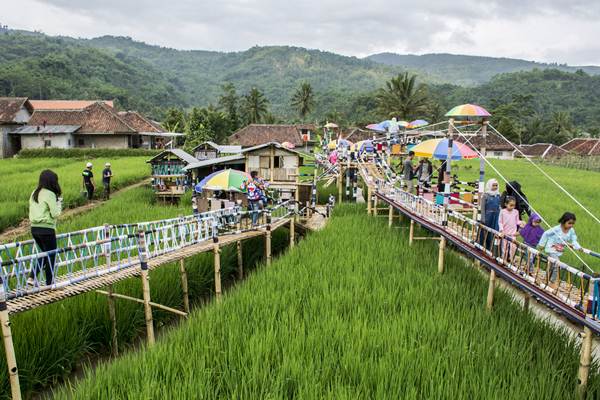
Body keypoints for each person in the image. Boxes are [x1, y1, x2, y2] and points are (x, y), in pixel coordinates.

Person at [28, 170, 62, 287]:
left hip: (34, 229)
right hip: (47, 229)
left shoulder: (34, 192)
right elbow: (55, 214)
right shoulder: (49, 194)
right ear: (52, 181)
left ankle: (32, 277)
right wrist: (59, 203)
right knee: (51, 255)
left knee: (44, 253)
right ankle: (49, 284)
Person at [538, 212, 582, 281]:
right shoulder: (557, 229)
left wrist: (578, 247)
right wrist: (542, 245)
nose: (571, 225)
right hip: (551, 249)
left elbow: (574, 239)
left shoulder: (571, 231)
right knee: (558, 265)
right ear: (563, 221)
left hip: (558, 250)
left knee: (552, 265)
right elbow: (546, 234)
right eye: (569, 223)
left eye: (573, 223)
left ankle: (546, 279)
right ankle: (552, 281)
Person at [498, 196, 523, 261]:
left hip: (513, 234)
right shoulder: (502, 212)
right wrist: (501, 230)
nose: (512, 207)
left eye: (514, 205)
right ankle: (503, 259)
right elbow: (500, 222)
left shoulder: (516, 212)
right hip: (505, 233)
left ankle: (512, 260)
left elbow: (517, 221)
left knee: (513, 248)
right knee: (504, 248)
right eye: (511, 205)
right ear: (506, 204)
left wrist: (521, 223)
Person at [479, 178, 501, 250]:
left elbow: (500, 207)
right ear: (489, 185)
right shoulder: (485, 195)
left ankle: (490, 248)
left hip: (496, 216)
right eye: (493, 185)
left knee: (493, 232)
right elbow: (482, 208)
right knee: (484, 231)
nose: (495, 187)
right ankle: (480, 245)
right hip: (488, 216)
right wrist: (483, 218)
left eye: (496, 185)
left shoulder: (498, 195)